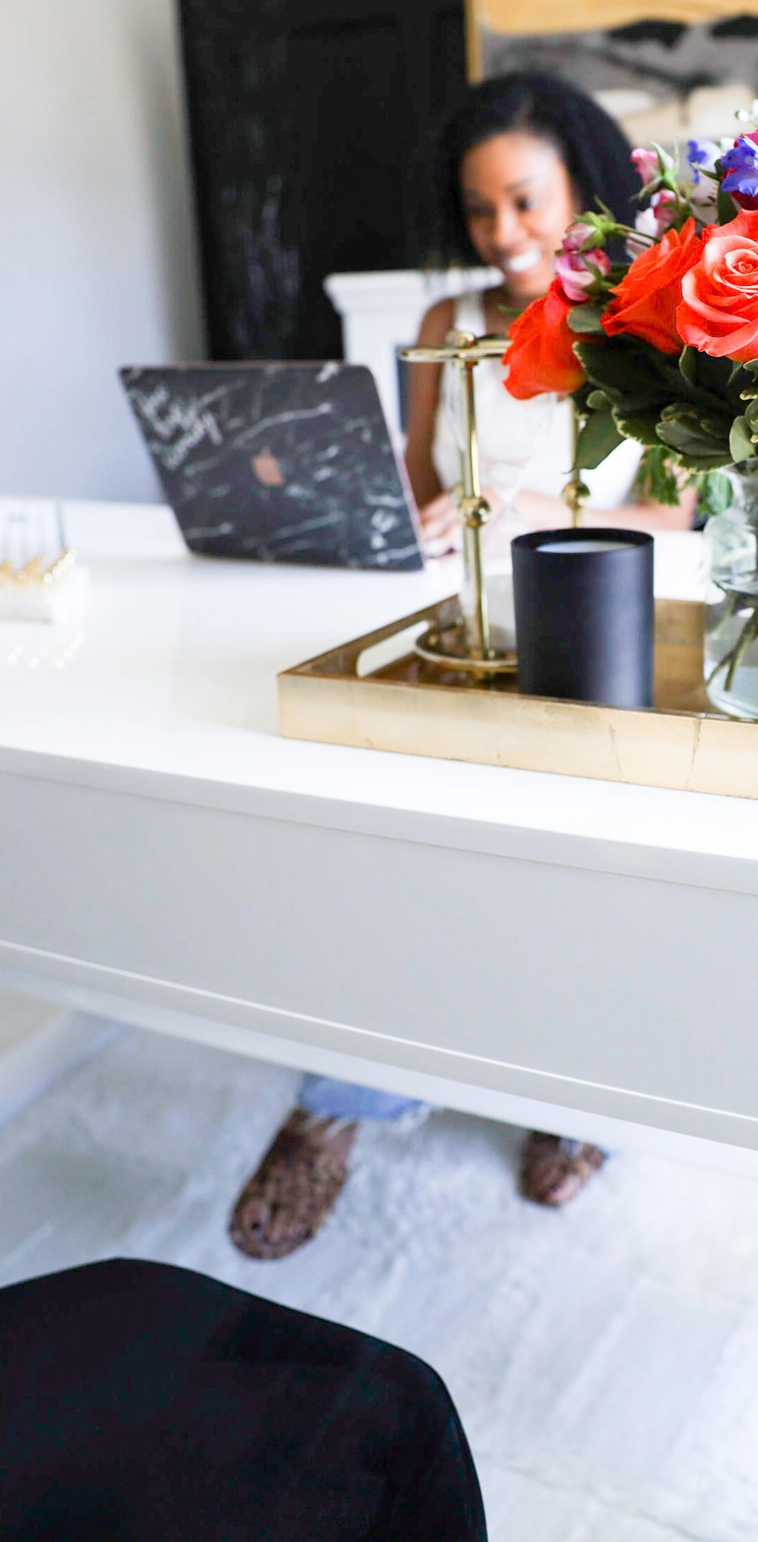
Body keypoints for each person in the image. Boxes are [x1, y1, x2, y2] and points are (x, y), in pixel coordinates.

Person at [231, 73, 695, 1261]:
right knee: (377, 867)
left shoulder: (642, 327)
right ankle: (343, 1105)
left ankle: (578, 1100)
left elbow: (684, 520)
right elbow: (414, 479)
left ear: (583, 187)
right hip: (455, 633)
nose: (506, 234)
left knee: (580, 886)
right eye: (482, 211)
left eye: (527, 202)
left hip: (593, 642)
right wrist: (327, 485)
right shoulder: (447, 327)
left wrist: (540, 502)